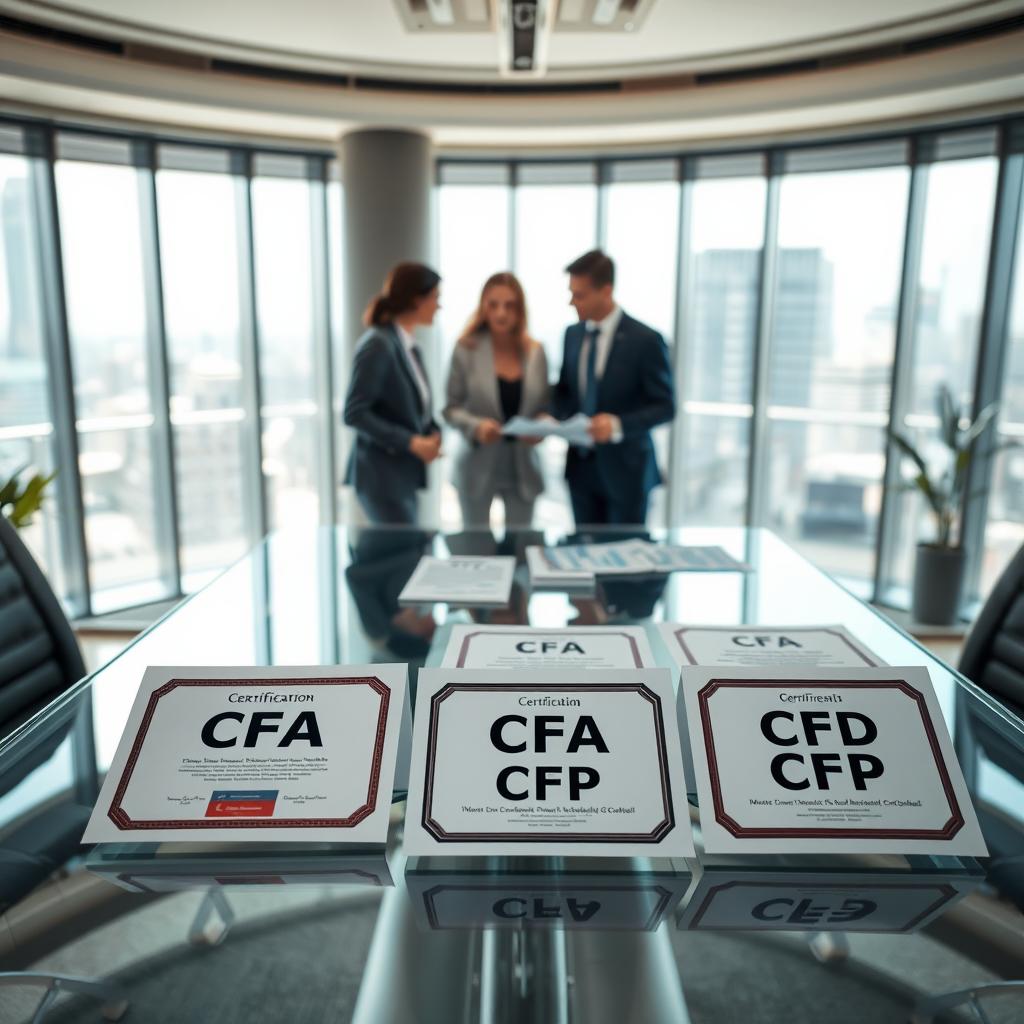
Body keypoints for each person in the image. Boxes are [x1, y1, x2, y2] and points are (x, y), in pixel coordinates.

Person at [552, 249, 675, 529]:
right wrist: (550, 418)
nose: (572, 302)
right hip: (581, 471)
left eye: (580, 294)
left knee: (626, 562)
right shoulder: (572, 335)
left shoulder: (646, 340)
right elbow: (565, 393)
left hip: (627, 473)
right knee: (582, 556)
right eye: (571, 292)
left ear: (606, 290)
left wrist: (618, 425)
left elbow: (666, 407)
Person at [444, 272, 551, 530]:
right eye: (493, 304)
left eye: (509, 305)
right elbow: (451, 409)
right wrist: (476, 426)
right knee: (477, 549)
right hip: (477, 463)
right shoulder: (465, 349)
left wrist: (542, 426)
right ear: (483, 307)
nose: (501, 313)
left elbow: (546, 406)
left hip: (523, 466)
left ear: (520, 309)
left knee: (521, 549)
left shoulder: (535, 352)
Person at [343, 262, 442, 525]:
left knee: (405, 555)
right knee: (402, 557)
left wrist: (432, 433)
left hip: (402, 476)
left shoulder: (409, 347)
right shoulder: (378, 344)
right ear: (416, 299)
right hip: (381, 478)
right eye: (435, 298)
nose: (439, 306)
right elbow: (354, 413)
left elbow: (412, 408)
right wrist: (411, 442)